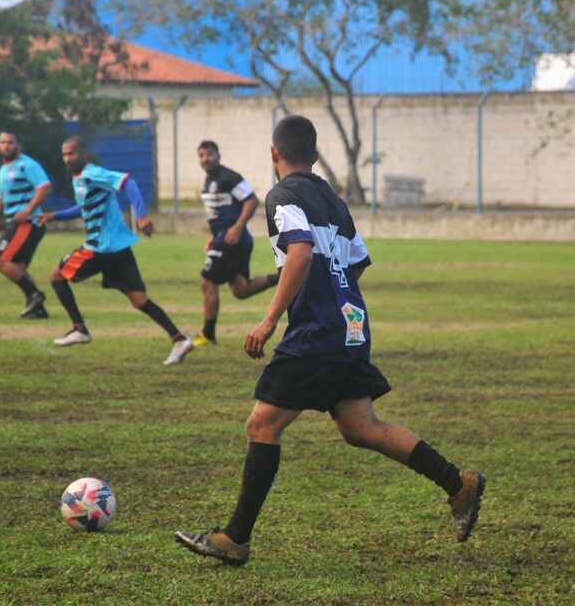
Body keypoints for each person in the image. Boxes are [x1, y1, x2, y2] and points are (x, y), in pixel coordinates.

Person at [175, 116, 486, 566]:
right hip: (351, 324)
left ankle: (235, 539)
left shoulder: (282, 196)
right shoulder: (333, 201)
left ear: (273, 153)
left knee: (262, 426)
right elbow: (356, 261)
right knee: (362, 428)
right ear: (316, 156)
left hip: (317, 333)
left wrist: (268, 320)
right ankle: (459, 483)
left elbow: (299, 254)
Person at [38, 136, 194, 366]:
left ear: (84, 154)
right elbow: (84, 207)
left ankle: (79, 329)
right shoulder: (80, 179)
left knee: (56, 276)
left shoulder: (93, 173)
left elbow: (127, 182)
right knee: (140, 300)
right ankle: (179, 339)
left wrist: (140, 215)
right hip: (119, 249)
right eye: (64, 154)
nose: (67, 158)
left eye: (71, 153)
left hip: (101, 248)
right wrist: (55, 216)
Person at [192, 140, 280, 348]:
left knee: (208, 282)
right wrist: (214, 238)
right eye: (202, 155)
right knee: (241, 290)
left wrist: (238, 227)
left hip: (232, 240)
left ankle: (207, 334)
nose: (206, 159)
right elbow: (218, 214)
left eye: (210, 154)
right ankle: (283, 276)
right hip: (226, 239)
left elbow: (251, 200)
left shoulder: (229, 177)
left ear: (219, 156)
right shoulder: (208, 180)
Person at [0, 132, 52, 318]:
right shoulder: (4, 169)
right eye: (3, 142)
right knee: (17, 267)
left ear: (18, 145)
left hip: (26, 223)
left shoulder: (27, 164)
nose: (7, 146)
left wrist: (29, 209)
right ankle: (37, 310)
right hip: (16, 222)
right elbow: (1, 197)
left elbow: (44, 186)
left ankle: (35, 295)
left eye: (11, 142)